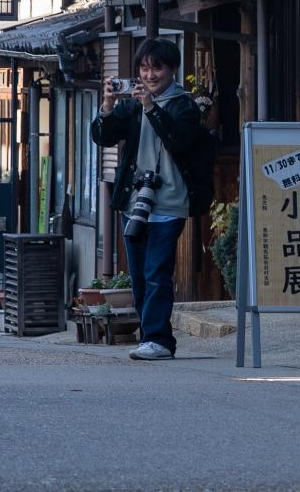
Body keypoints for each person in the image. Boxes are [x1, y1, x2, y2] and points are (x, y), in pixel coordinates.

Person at [89, 38, 210, 361]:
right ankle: (150, 336)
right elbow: (104, 136)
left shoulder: (186, 105)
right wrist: (108, 105)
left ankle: (158, 339)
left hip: (169, 200)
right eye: (144, 68)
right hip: (134, 202)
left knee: (158, 271)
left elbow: (180, 141)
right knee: (141, 273)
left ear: (172, 69)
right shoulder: (130, 105)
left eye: (157, 68)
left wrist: (151, 108)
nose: (150, 75)